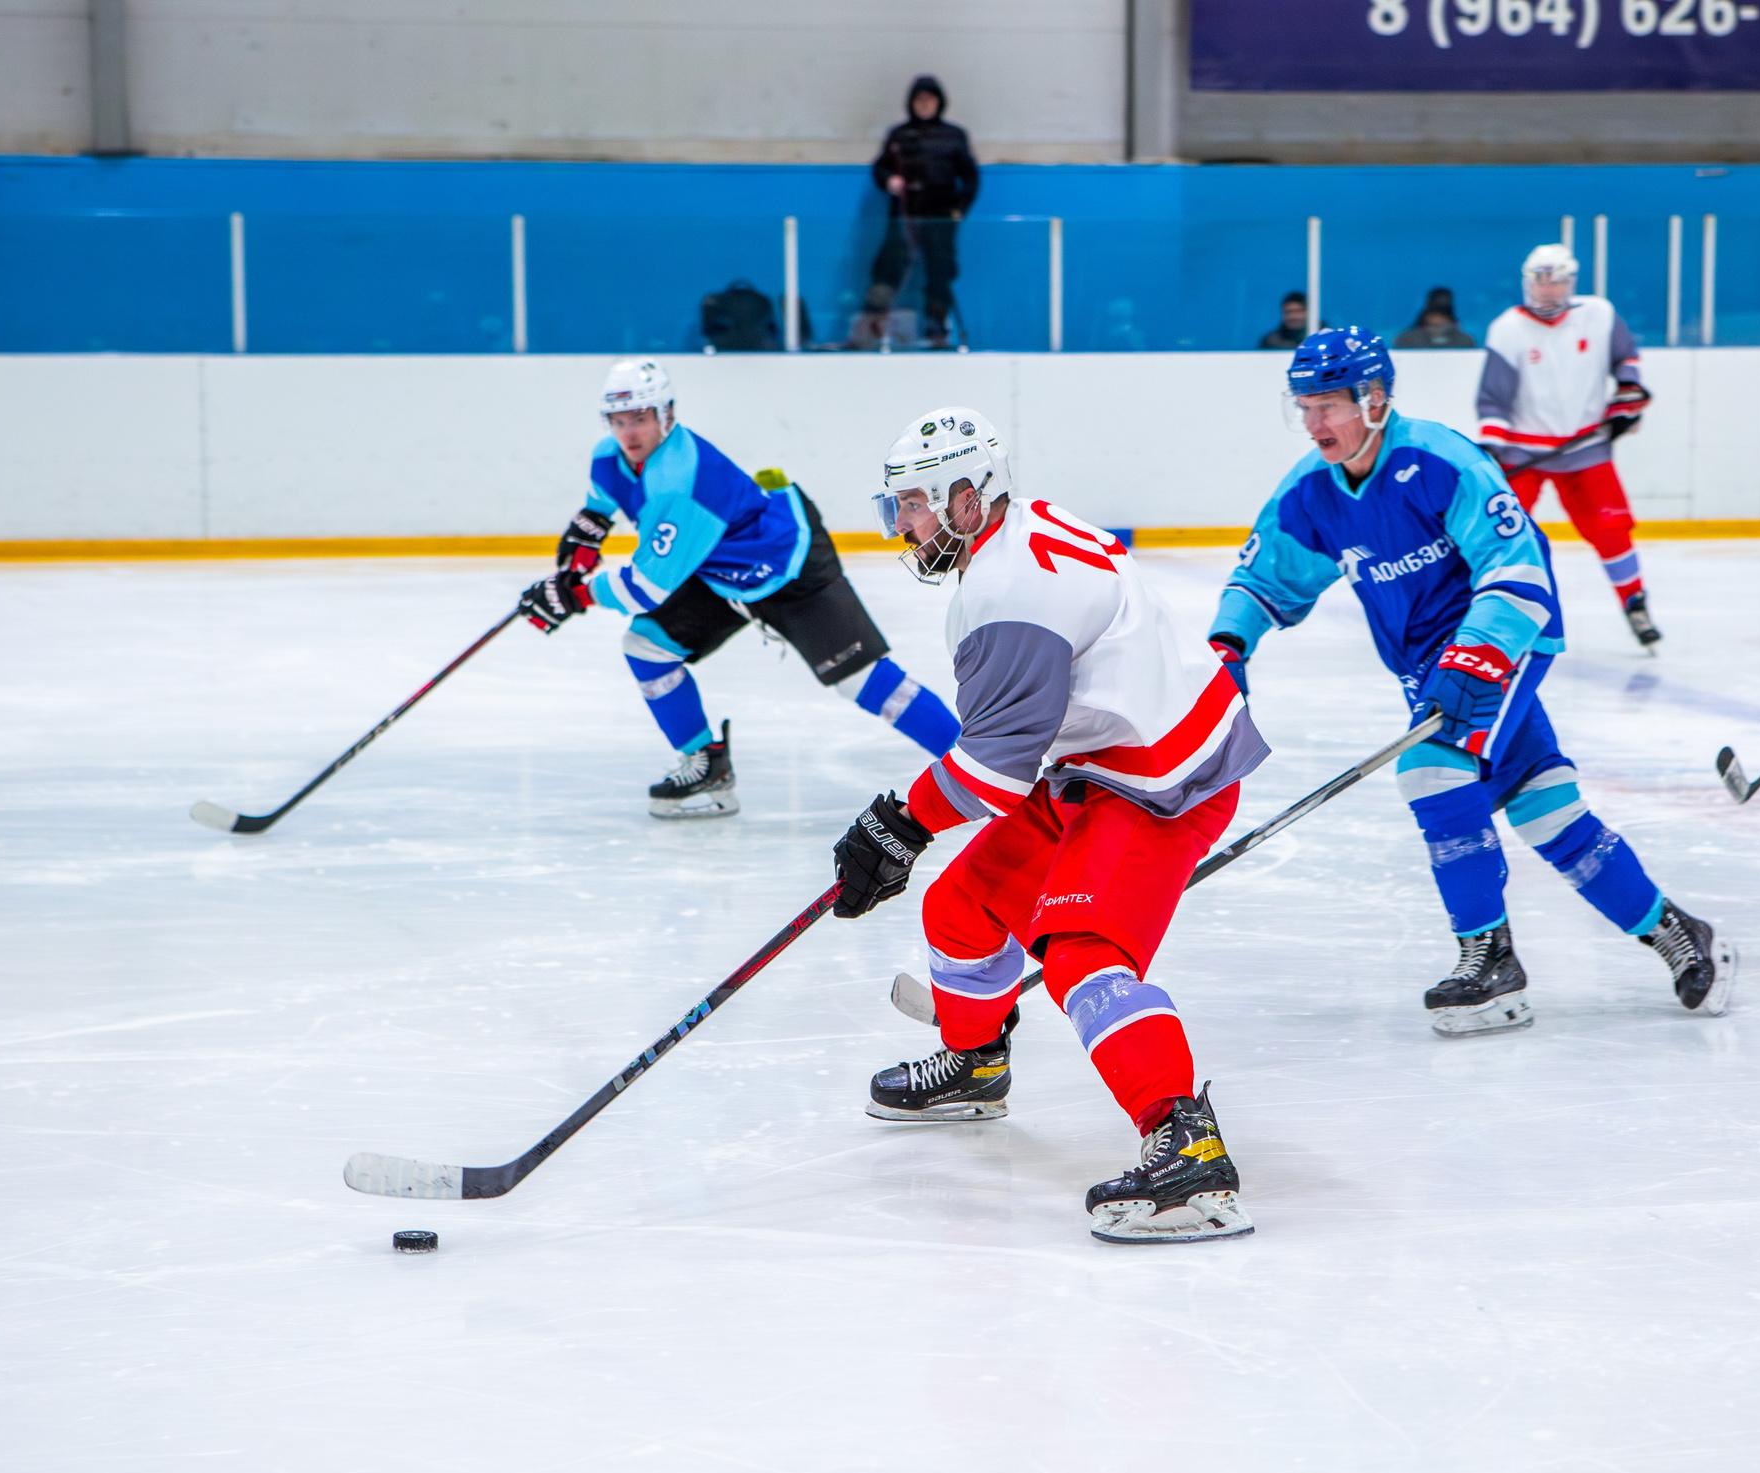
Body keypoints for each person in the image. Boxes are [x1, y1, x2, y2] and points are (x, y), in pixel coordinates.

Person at [829, 405, 1270, 1244]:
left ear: (969, 496)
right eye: (901, 506)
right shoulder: (1017, 533)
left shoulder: (1003, 593)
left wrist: (897, 825)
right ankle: (976, 1061)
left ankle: (1186, 1141)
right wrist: (907, 829)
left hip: (1162, 779)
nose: (905, 524)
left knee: (1080, 951)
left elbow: (994, 771)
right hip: (1106, 758)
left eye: (918, 504)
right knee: (958, 908)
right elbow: (1016, 746)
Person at [1208, 329, 1731, 1036]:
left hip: (1500, 640)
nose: (1314, 423)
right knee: (1548, 811)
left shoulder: (1440, 460)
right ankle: (1681, 934)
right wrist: (1229, 643)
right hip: (1428, 668)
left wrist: (1478, 656)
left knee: (1430, 771)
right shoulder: (1311, 492)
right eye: (1304, 407)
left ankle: (1490, 961)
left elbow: (1517, 569)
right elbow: (1265, 573)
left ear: (1375, 399)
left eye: (1328, 405)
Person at [519, 359, 959, 817]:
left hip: (787, 566)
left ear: (666, 414)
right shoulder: (608, 458)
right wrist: (574, 564)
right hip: (720, 573)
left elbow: (645, 588)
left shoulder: (681, 478)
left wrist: (578, 595)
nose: (629, 433)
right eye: (619, 420)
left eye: (641, 418)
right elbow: (597, 511)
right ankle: (706, 768)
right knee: (646, 646)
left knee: (861, 681)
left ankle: (973, 766)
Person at [1474, 244, 1661, 651]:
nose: (1547, 289)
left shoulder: (1599, 315)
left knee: (1612, 531)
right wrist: (1491, 449)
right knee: (1502, 534)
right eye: (1539, 280)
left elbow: (1627, 362)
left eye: (1555, 280)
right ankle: (1477, 611)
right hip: (1525, 452)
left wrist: (1627, 399)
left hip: (1586, 447)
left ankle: (1634, 603)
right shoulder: (1508, 328)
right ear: (1527, 283)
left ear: (1570, 282)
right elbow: (1494, 398)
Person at [857, 77, 980, 350]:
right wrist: (889, 181)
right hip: (904, 215)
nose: (924, 105)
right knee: (888, 267)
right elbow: (880, 168)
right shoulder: (899, 135)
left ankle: (937, 329)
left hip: (940, 216)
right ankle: (870, 328)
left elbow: (971, 177)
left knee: (940, 272)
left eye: (930, 100)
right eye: (919, 100)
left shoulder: (954, 136)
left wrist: (959, 209)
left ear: (939, 103)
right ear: (911, 103)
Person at [1395, 286, 1476, 349]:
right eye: (1434, 312)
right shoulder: (1406, 340)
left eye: (1443, 313)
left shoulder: (1464, 341)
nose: (1438, 318)